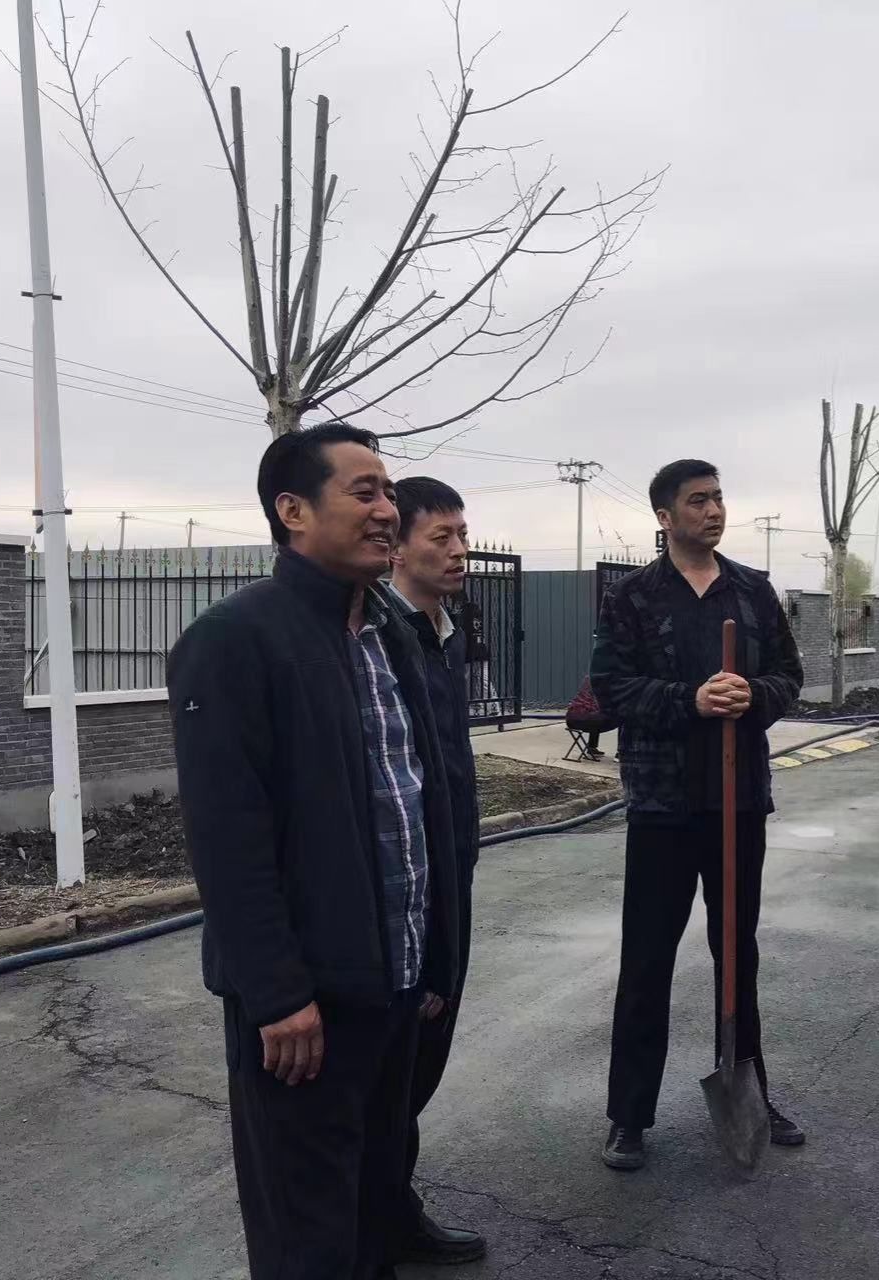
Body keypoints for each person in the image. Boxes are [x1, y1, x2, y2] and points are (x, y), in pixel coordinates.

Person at [168, 423, 461, 1280]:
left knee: (372, 1215)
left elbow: (423, 804)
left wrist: (437, 959)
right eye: (364, 492)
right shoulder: (235, 640)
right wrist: (277, 993)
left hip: (396, 987)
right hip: (307, 1012)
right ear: (293, 511)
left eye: (390, 493)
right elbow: (228, 837)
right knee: (309, 1237)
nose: (387, 509)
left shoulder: (392, 634)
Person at [590, 458, 805, 1170]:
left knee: (737, 953)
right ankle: (628, 1116)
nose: (713, 511)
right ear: (664, 516)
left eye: (718, 498)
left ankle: (751, 1095)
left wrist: (754, 696)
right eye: (697, 500)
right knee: (647, 958)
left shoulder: (753, 590)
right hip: (663, 804)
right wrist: (692, 700)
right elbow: (612, 688)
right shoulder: (633, 596)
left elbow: (788, 675)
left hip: (738, 801)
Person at [382, 476, 486, 1267]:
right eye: (440, 537)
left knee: (427, 1053)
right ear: (397, 545)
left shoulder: (445, 633)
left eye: (463, 535)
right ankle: (382, 1218)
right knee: (394, 1063)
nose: (459, 552)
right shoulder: (381, 639)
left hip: (452, 872)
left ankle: (393, 1203)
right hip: (406, 885)